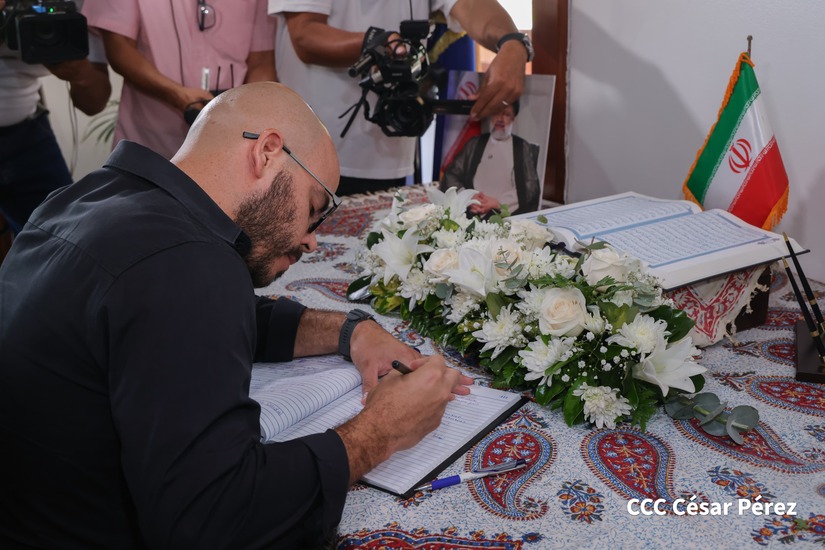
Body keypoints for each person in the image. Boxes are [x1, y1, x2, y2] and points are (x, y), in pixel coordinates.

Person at [0, 81, 472, 548]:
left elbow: (196, 321)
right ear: (267, 152)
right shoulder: (189, 262)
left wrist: (351, 331)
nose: (311, 240)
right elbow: (214, 518)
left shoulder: (88, 199)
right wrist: (383, 429)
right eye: (314, 208)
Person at [268, 0, 533, 196]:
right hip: (310, 152)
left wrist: (512, 42)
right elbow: (304, 34)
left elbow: (470, 6)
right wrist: (380, 43)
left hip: (392, 144)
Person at [83, 0, 276, 160]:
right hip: (150, 142)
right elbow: (119, 49)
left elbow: (261, 63)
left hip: (229, 144)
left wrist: (255, 119)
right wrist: (175, 94)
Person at [0, 0, 111, 236]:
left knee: (66, 237)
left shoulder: (84, 5)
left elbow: (94, 101)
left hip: (26, 131)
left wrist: (79, 71)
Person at [440, 100, 541, 216]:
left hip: (504, 216)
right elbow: (451, 174)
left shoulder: (522, 148)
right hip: (470, 211)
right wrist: (468, 198)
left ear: (513, 118)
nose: (500, 119)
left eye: (506, 114)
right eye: (496, 112)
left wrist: (499, 203)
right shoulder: (475, 144)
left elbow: (531, 190)